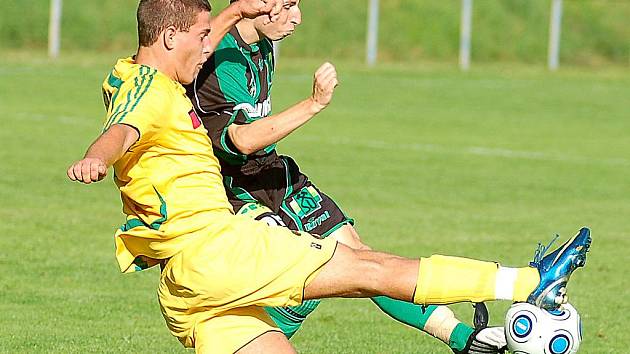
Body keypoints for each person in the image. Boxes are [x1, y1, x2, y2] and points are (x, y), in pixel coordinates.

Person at [67, 1, 591, 353]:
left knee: (360, 267)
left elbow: (170, 65)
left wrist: (229, 13)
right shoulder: (152, 91)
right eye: (201, 37)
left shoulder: (136, 72)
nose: (208, 48)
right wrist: (97, 156)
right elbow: (124, 130)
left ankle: (470, 338)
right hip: (223, 248)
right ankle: (528, 282)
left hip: (188, 286)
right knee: (372, 269)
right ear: (171, 37)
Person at [186, 1, 501, 352]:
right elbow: (240, 140)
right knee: (300, 280)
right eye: (289, 5)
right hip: (234, 190)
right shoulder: (219, 57)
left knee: (357, 255)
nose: (298, 17)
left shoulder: (262, 44)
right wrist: (314, 104)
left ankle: (466, 341)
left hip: (273, 174)